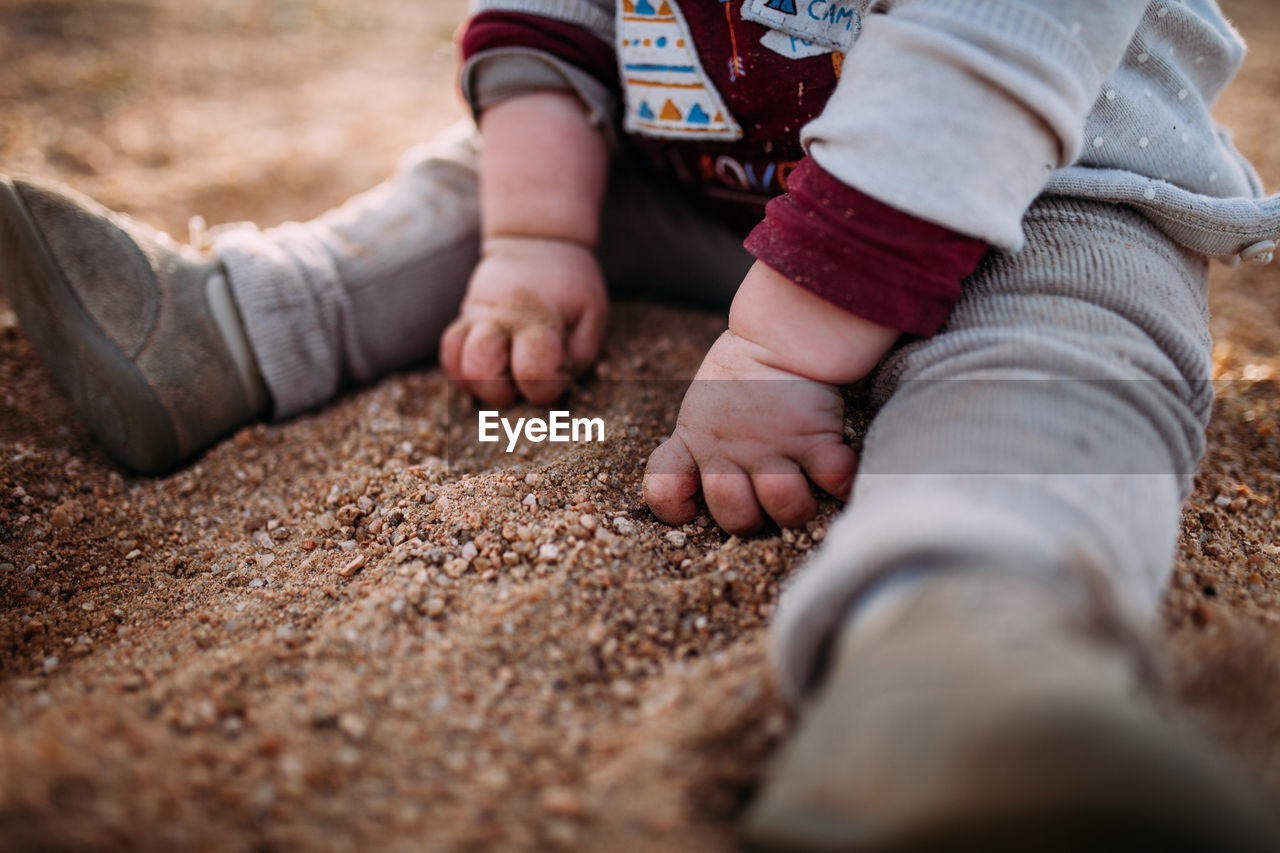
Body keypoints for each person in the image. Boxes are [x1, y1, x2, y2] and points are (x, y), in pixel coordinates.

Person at [3, 0, 1280, 846]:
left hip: (1039, 191)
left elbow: (973, 77)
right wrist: (533, 237)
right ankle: (237, 326)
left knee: (1068, 350)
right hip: (698, 171)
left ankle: (962, 642)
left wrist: (775, 352)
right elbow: (547, 28)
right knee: (465, 196)